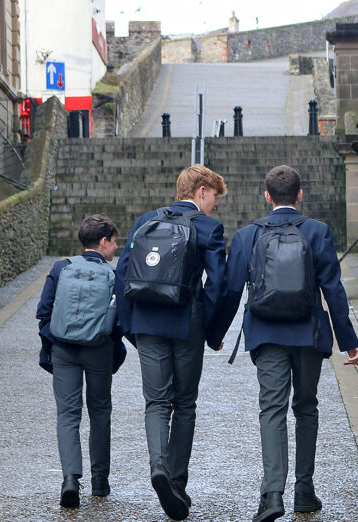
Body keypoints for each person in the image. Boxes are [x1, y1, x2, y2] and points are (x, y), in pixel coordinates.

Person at [212, 165, 358, 522]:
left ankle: (273, 493)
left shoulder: (248, 236)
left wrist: (215, 333)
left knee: (272, 409)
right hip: (308, 333)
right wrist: (348, 340)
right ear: (299, 195)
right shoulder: (318, 232)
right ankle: (305, 490)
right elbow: (333, 291)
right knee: (306, 408)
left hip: (266, 334)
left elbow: (232, 290)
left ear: (267, 196)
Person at [114, 164, 227, 521]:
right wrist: (212, 330)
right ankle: (176, 483)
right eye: (215, 197)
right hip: (186, 322)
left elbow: (122, 273)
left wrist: (130, 326)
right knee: (186, 403)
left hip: (146, 320)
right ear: (202, 190)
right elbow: (219, 284)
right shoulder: (207, 227)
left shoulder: (146, 220)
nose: (216, 205)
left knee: (156, 401)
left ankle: (158, 467)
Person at [36, 215, 128, 509]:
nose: (115, 248)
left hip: (63, 348)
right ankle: (100, 481)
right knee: (100, 411)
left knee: (68, 414)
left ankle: (70, 480)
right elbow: (119, 322)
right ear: (104, 242)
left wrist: (55, 340)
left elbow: (44, 311)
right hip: (99, 349)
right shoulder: (114, 276)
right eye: (114, 242)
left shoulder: (61, 268)